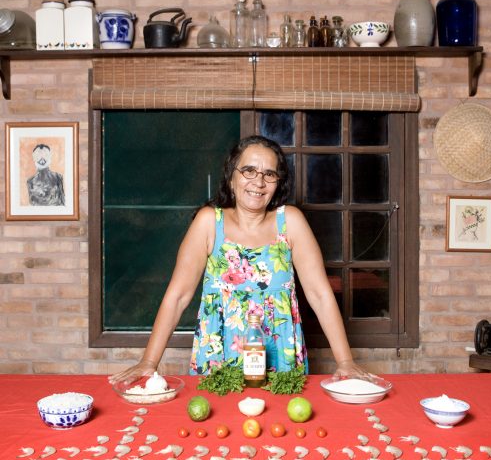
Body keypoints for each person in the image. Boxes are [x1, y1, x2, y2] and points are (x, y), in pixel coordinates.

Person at [110, 136, 369, 384]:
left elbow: (320, 295)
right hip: (219, 358)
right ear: (231, 177)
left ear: (278, 182)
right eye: (249, 170)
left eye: (269, 174)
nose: (259, 181)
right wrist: (149, 361)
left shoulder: (290, 221)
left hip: (280, 359)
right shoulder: (209, 222)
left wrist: (345, 361)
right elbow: (178, 296)